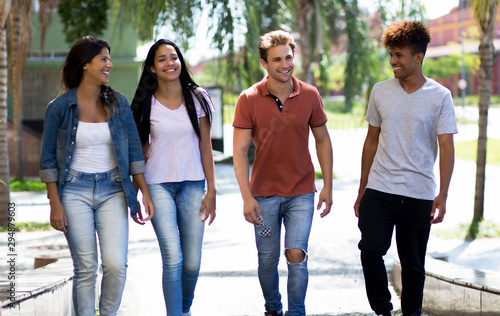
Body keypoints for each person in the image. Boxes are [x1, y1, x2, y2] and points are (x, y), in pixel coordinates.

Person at [39, 35, 154, 316]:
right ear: (85, 65)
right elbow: (48, 161)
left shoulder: (119, 104)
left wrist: (144, 193)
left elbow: (133, 153)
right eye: (103, 59)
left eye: (109, 59)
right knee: (86, 267)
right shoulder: (59, 108)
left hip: (113, 189)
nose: (109, 65)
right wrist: (55, 202)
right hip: (74, 190)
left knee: (116, 265)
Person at [353, 21, 457, 316]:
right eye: (391, 55)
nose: (393, 62)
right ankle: (383, 310)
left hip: (418, 191)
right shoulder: (380, 91)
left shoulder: (440, 96)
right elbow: (371, 140)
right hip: (380, 188)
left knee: (413, 263)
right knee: (370, 250)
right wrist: (362, 189)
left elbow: (447, 147)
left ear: (418, 57)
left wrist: (443, 194)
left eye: (398, 55)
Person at [232, 30, 333, 316]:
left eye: (288, 57)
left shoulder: (310, 95)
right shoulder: (249, 98)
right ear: (264, 63)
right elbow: (239, 151)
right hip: (263, 194)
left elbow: (322, 139)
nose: (284, 64)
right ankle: (273, 308)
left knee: (296, 254)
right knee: (267, 260)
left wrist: (326, 185)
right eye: (276, 60)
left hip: (302, 191)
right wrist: (246, 197)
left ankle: (296, 312)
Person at [130, 39, 216, 316]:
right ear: (152, 68)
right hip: (158, 185)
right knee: (173, 258)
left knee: (191, 261)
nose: (170, 63)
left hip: (193, 184)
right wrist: (140, 190)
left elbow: (205, 145)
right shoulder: (145, 104)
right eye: (162, 59)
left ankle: (183, 309)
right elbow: (139, 152)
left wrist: (211, 190)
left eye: (174, 57)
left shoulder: (198, 97)